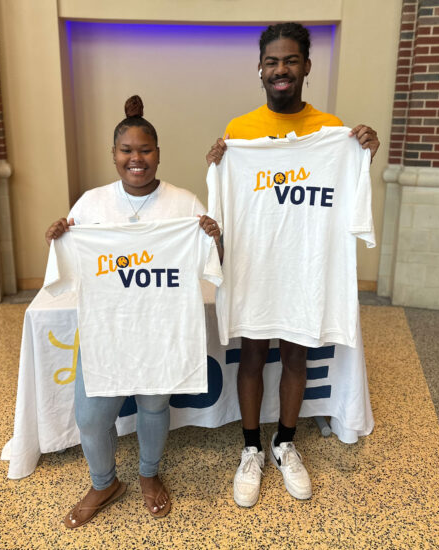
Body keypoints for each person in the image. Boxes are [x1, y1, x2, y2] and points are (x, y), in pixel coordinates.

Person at [206, 22, 380, 508]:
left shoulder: (332, 130)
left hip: (305, 269)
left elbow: (348, 193)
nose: (280, 70)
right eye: (272, 61)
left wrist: (361, 153)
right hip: (257, 265)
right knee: (253, 354)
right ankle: (250, 449)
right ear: (259, 69)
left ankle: (286, 442)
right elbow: (222, 206)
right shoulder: (239, 132)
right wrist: (218, 165)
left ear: (306, 66)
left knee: (297, 356)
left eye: (290, 61)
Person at [45, 95, 221, 528]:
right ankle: (103, 482)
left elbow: (212, 264)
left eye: (145, 150)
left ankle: (147, 474)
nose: (136, 158)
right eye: (127, 150)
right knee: (90, 415)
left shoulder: (185, 204)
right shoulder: (90, 205)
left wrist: (213, 237)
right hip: (107, 331)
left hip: (160, 330)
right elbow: (68, 267)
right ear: (114, 155)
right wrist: (59, 240)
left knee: (154, 405)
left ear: (158, 154)